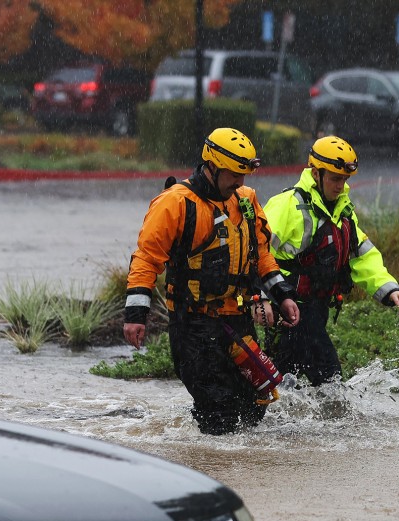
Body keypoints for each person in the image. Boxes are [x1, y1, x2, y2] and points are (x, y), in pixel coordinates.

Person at [123, 128, 300, 435]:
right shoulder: (175, 203)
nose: (240, 182)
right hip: (194, 328)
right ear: (212, 167)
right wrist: (135, 315)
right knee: (218, 412)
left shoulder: (245, 200)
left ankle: (242, 477)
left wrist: (282, 294)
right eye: (234, 174)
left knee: (254, 406)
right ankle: (210, 473)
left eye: (243, 175)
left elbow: (261, 255)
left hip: (239, 323)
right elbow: (147, 259)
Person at [260, 135, 399, 386]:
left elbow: (362, 254)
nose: (340, 185)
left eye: (344, 179)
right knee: (331, 384)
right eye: (335, 178)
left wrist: (389, 288)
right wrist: (262, 299)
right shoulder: (286, 205)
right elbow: (256, 254)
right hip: (287, 309)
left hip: (316, 310)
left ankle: (262, 416)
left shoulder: (343, 211)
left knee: (283, 382)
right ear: (315, 174)